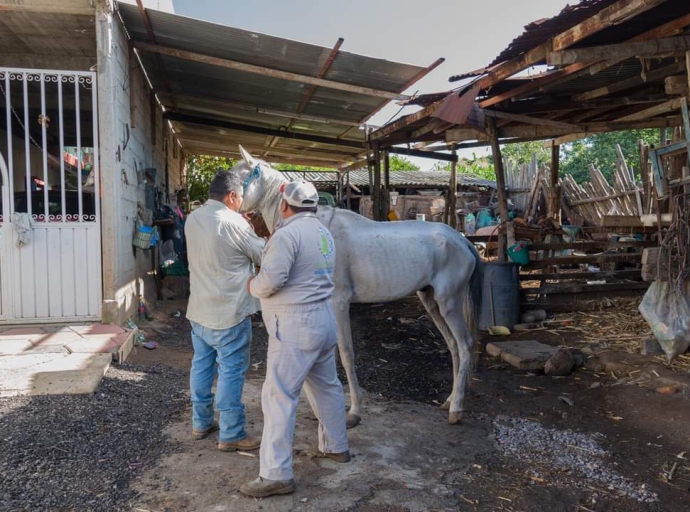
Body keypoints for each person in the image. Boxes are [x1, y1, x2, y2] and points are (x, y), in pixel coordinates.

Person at [240, 181, 349, 498]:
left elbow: (270, 281)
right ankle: (336, 447)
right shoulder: (323, 233)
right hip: (324, 321)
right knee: (326, 386)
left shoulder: (286, 235)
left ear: (285, 206)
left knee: (278, 396)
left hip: (295, 326)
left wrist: (252, 284)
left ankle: (276, 474)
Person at [184, 169, 265, 452]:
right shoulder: (234, 222)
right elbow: (262, 254)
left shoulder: (193, 218)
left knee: (202, 366)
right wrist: (255, 231)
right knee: (231, 371)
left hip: (199, 310)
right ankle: (231, 434)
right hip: (229, 313)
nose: (242, 202)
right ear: (232, 197)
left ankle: (201, 422)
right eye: (241, 197)